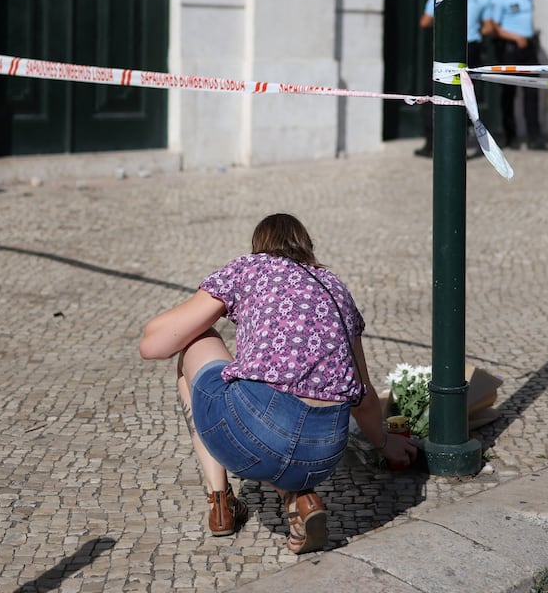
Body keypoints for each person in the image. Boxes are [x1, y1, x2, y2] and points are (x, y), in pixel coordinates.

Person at [139, 213, 417, 554]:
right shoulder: (336, 288)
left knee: (194, 344)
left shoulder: (250, 268)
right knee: (279, 429)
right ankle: (299, 498)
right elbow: (363, 396)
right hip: (325, 452)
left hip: (258, 432)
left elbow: (153, 346)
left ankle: (221, 502)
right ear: (308, 248)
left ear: (259, 248)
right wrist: (384, 443)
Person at [416, 0, 492, 158]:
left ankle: (430, 144)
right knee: (467, 96)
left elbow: (424, 22)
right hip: (470, 49)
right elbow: (489, 28)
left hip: (445, 50)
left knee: (434, 92)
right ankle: (461, 145)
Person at [486, 0, 548, 150]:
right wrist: (515, 37)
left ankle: (534, 137)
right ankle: (510, 136)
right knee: (509, 93)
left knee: (533, 91)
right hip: (510, 49)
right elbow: (494, 27)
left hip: (528, 48)